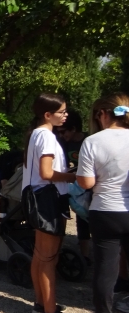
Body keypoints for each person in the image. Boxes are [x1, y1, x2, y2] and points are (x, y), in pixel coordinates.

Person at [75, 93, 129, 313]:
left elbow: (86, 182)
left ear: (102, 114)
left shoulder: (93, 141)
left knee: (106, 269)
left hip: (105, 210)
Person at [23, 93, 78, 313]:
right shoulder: (46, 136)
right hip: (48, 199)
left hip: (39, 197)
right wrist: (73, 176)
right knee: (48, 257)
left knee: (40, 255)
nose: (65, 115)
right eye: (62, 111)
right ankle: (50, 312)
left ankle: (41, 302)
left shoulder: (36, 134)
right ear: (47, 114)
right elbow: (46, 173)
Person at [57, 110, 91, 264]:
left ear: (73, 128)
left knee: (89, 219)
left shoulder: (89, 141)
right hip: (72, 185)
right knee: (76, 217)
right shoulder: (63, 144)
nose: (61, 135)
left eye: (63, 131)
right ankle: (84, 256)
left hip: (89, 185)